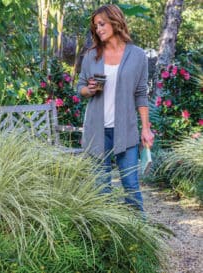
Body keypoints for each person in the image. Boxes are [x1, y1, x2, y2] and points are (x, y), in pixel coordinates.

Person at [77, 4, 154, 211]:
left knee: (131, 187)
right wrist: (89, 89)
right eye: (96, 26)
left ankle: (139, 237)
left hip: (126, 131)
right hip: (96, 131)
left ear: (115, 22)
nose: (99, 29)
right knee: (100, 190)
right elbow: (80, 88)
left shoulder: (137, 55)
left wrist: (146, 128)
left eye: (102, 24)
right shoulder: (92, 55)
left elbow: (140, 94)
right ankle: (104, 238)